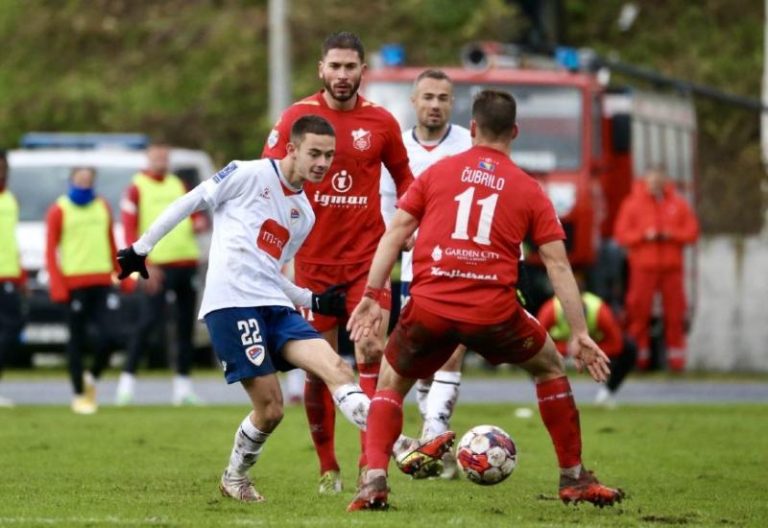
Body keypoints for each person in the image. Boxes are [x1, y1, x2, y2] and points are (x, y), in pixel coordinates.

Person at [115, 116, 434, 503]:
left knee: (337, 367)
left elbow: (272, 272)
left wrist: (310, 299)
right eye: (314, 153)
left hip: (276, 306)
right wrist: (141, 248)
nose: (322, 163)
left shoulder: (304, 213)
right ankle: (235, 477)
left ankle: (398, 445)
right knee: (271, 409)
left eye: (329, 156)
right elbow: (192, 200)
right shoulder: (247, 174)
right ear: (292, 149)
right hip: (232, 304)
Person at [346, 90, 625, 511]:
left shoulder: (437, 174)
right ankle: (573, 477)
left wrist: (371, 294)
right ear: (514, 131)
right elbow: (558, 266)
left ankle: (374, 483)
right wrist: (581, 333)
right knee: (549, 366)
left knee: (389, 382)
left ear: (472, 128)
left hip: (431, 308)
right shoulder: (529, 189)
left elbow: (396, 232)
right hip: (493, 314)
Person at [262, 31, 414, 493]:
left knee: (371, 352)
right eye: (335, 66)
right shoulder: (296, 118)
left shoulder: (381, 123)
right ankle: (328, 468)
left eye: (351, 67)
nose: (343, 75)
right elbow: (268, 180)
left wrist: (410, 226)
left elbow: (406, 178)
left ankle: (372, 466)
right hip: (312, 265)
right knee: (320, 367)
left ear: (362, 71)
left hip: (367, 263)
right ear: (321, 69)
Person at [380, 69, 472, 479]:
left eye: (444, 98)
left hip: (460, 265)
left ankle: (435, 432)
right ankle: (435, 443)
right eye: (428, 97)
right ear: (414, 102)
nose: (435, 104)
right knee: (418, 355)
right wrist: (394, 239)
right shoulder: (398, 149)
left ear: (452, 104)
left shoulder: (468, 146)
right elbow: (387, 202)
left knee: (452, 347)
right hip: (415, 269)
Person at [116, 143, 207, 406]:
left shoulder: (178, 185)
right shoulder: (136, 188)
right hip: (157, 265)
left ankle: (183, 388)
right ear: (147, 159)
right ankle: (126, 384)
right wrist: (145, 262)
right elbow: (130, 227)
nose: (161, 162)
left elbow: (189, 217)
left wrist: (199, 224)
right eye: (157, 157)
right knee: (147, 323)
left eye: (165, 158)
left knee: (184, 327)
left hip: (185, 261)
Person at [45, 167, 119, 414]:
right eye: (80, 179)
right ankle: (78, 394)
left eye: (89, 179)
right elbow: (50, 250)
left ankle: (92, 378)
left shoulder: (102, 206)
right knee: (76, 340)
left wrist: (122, 273)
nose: (85, 183)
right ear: (72, 180)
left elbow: (111, 242)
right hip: (74, 283)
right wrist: (57, 285)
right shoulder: (59, 209)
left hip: (101, 281)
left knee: (110, 337)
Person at [614, 166, 699, 371]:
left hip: (671, 269)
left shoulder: (678, 204)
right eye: (652, 181)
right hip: (643, 268)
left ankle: (676, 362)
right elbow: (621, 234)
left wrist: (671, 234)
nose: (655, 185)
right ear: (646, 182)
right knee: (638, 314)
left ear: (665, 182)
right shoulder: (632, 204)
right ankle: (638, 360)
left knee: (675, 315)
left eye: (659, 181)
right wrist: (644, 235)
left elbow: (692, 232)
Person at [537, 289, 637, 409]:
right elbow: (537, 341)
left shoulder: (600, 311)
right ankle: (548, 396)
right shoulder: (550, 310)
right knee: (530, 353)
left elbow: (616, 344)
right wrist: (566, 350)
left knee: (630, 347)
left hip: (591, 349)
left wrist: (590, 353)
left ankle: (607, 393)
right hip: (561, 351)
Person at [0, 150, 23, 407]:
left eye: (3, 167)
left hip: (7, 274)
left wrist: (20, 275)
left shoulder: (10, 199)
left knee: (12, 326)